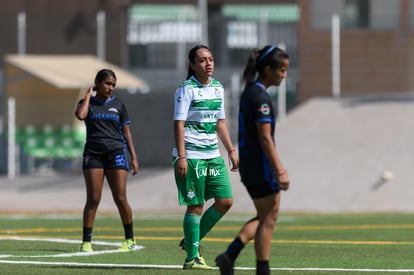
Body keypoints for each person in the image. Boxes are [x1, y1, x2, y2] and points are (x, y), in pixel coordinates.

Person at [215, 45, 290, 275]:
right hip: (261, 167)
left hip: (250, 167)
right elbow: (265, 138)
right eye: (282, 70)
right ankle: (262, 270)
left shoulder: (250, 91)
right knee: (269, 217)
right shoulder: (260, 97)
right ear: (267, 69)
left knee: (264, 215)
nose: (284, 75)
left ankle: (230, 255)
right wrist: (280, 170)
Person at [173, 45, 239, 270]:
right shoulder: (186, 89)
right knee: (196, 205)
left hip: (212, 154)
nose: (208, 63)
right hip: (191, 154)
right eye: (202, 60)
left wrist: (230, 150)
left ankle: (192, 241)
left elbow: (220, 122)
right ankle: (192, 258)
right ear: (192, 65)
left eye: (210, 59)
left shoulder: (218, 88)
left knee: (225, 201)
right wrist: (181, 156)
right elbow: (178, 124)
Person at [75, 69, 139, 253]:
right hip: (93, 155)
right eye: (107, 83)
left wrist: (134, 157)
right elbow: (81, 115)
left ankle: (129, 238)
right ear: (97, 83)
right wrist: (88, 95)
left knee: (120, 198)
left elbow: (127, 132)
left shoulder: (119, 104)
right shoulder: (86, 103)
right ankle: (86, 242)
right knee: (93, 198)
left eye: (113, 85)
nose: (111, 88)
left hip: (116, 153)